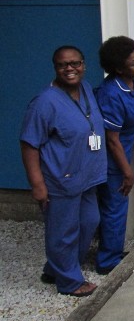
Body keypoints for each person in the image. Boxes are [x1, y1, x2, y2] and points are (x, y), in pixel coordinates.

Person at [20, 46, 106, 297]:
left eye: (75, 63)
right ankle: (69, 282)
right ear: (55, 68)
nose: (70, 69)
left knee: (90, 221)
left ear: (84, 64)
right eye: (62, 65)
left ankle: (55, 268)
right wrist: (37, 184)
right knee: (63, 231)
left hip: (88, 176)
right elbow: (29, 144)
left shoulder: (87, 89)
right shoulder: (44, 102)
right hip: (60, 179)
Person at [95, 36, 134, 275]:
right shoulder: (110, 93)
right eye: (133, 63)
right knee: (115, 205)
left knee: (116, 205)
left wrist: (133, 133)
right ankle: (107, 261)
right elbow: (111, 138)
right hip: (111, 156)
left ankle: (111, 250)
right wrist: (127, 172)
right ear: (117, 68)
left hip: (124, 143)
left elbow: (133, 113)